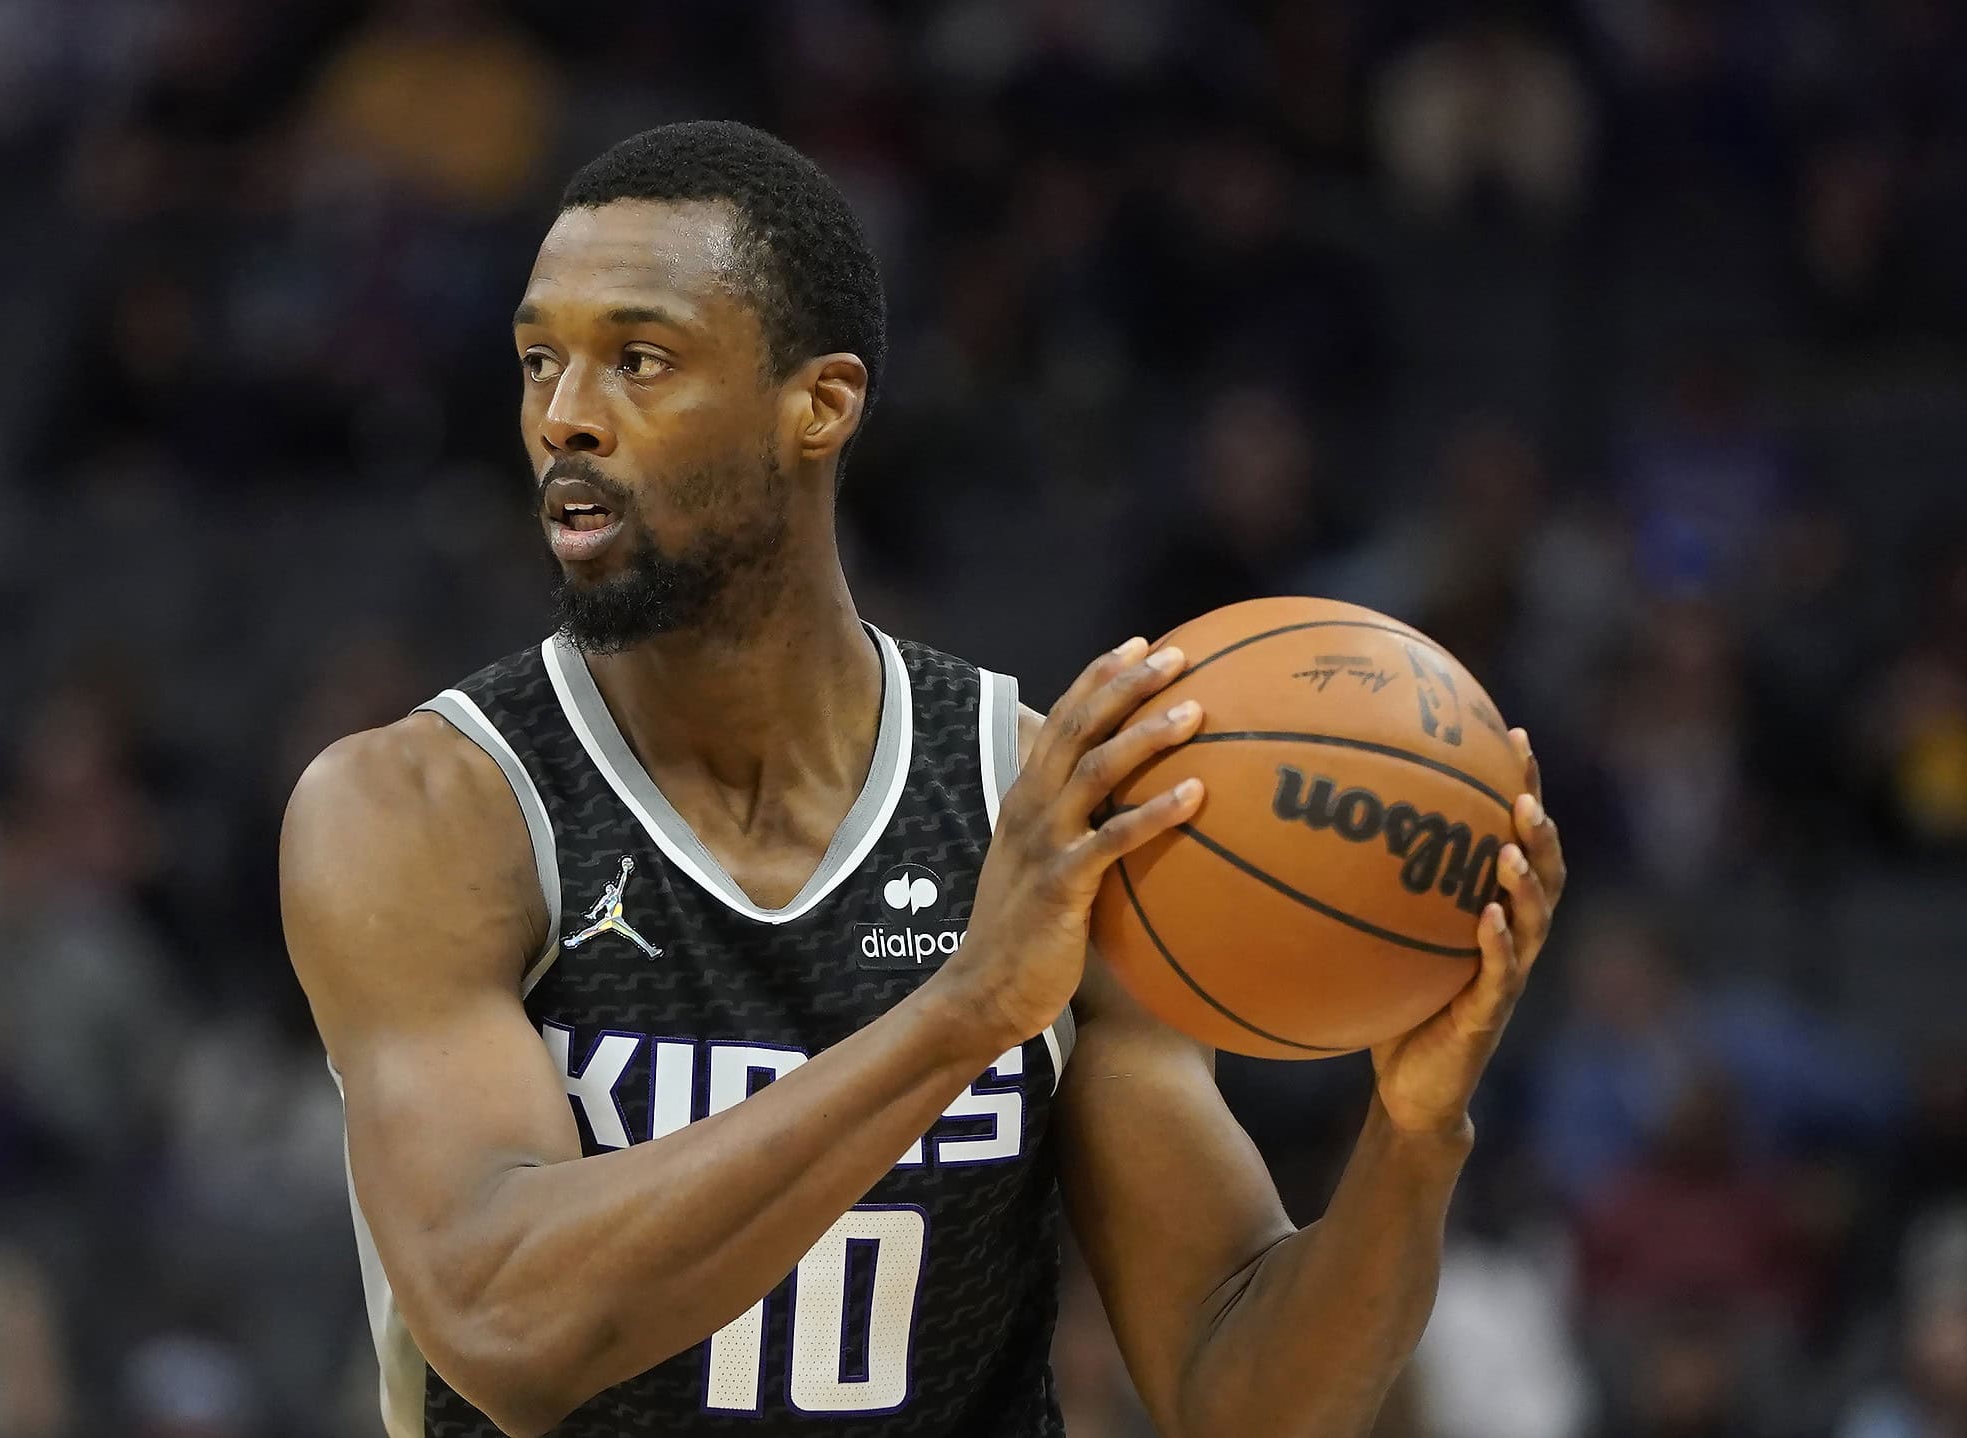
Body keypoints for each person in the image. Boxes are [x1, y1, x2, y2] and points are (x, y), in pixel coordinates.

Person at [280, 120, 1568, 1438]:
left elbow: (1240, 1397)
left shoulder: (1043, 797)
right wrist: (961, 1013)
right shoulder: (424, 810)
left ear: (819, 405)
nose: (563, 415)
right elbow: (507, 1324)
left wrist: (1414, 1140)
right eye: (540, 359)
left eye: (640, 358)